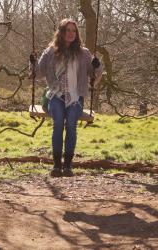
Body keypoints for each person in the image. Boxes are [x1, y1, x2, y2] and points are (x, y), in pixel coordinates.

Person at [29, 18, 103, 177]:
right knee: (58, 123)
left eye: (73, 31)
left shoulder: (84, 53)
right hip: (55, 95)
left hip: (76, 96)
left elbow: (94, 74)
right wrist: (33, 63)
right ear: (61, 33)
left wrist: (97, 65)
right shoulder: (50, 51)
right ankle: (57, 165)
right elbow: (39, 73)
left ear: (76, 34)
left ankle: (68, 165)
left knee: (71, 123)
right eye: (67, 30)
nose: (71, 34)